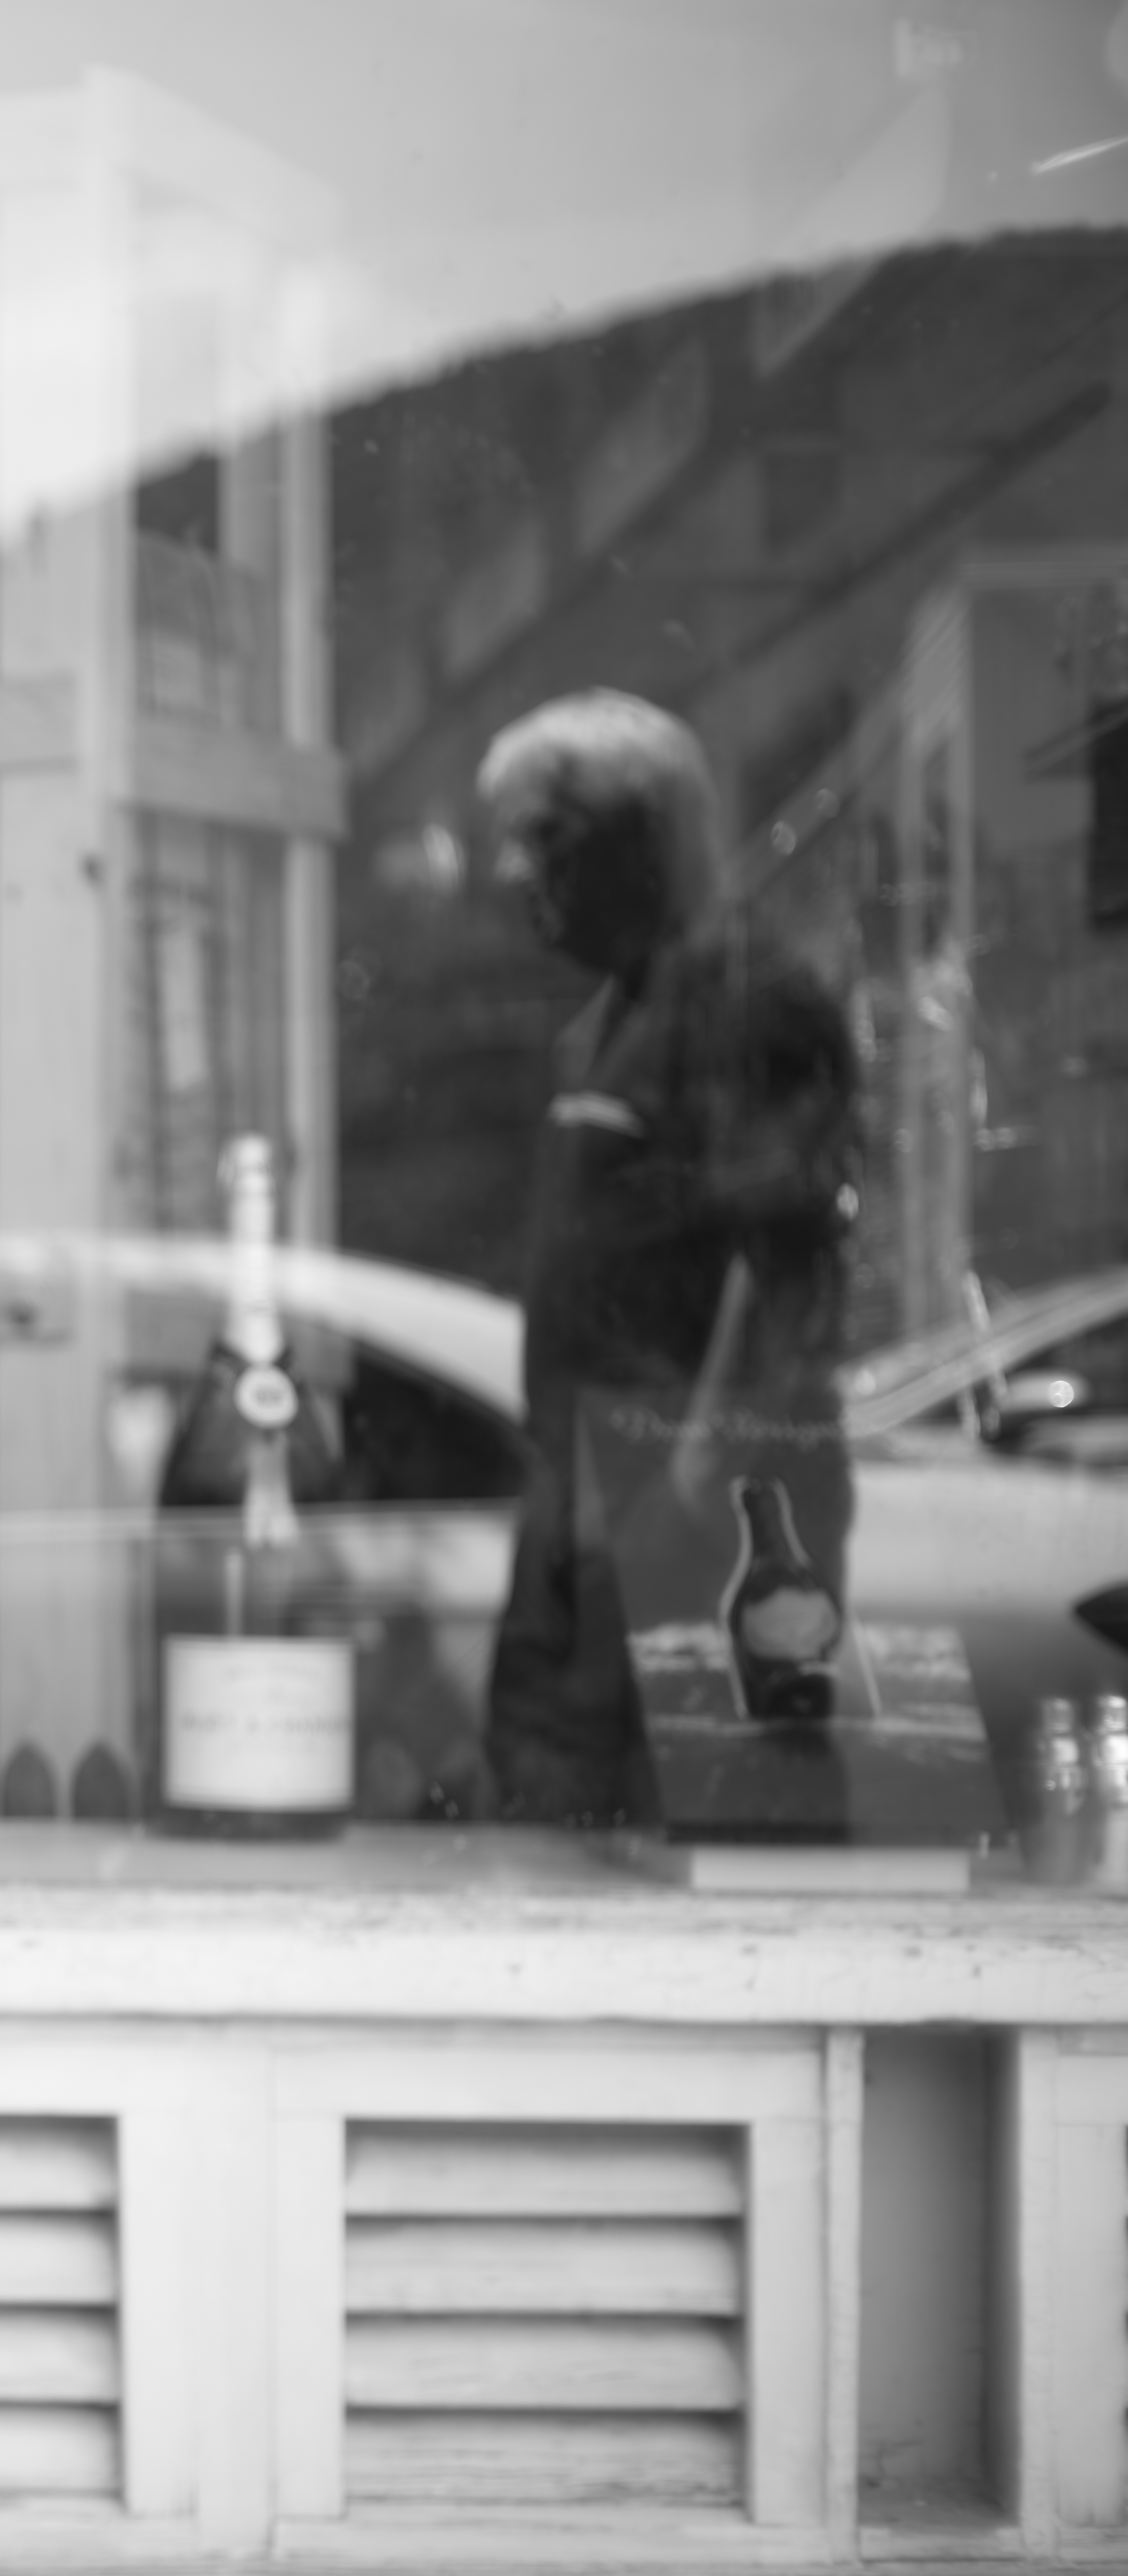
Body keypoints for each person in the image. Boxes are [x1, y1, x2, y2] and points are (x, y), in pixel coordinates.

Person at [475, 689, 859, 1825]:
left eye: (543, 834)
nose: (510, 869)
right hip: (589, 1526)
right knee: (556, 1832)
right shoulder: (617, 1021)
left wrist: (685, 1502)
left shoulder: (750, 1003)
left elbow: (786, 1283)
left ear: (639, 837)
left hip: (695, 1547)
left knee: (722, 1830)